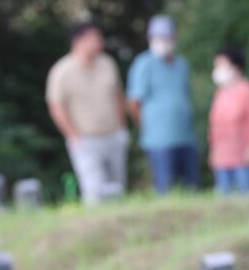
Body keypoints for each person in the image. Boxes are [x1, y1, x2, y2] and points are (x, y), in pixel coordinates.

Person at [46, 21, 128, 205]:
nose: (100, 42)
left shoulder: (107, 63)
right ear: (78, 41)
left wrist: (122, 127)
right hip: (85, 139)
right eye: (94, 38)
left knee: (117, 187)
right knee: (94, 189)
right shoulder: (62, 71)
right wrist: (73, 135)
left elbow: (117, 95)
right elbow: (56, 107)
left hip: (113, 134)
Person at [126, 15, 199, 194]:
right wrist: (147, 125)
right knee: (165, 186)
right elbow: (134, 102)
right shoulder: (144, 64)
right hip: (159, 139)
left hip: (186, 135)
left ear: (174, 38)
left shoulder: (181, 64)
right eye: (158, 38)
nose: (163, 42)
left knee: (192, 186)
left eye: (166, 37)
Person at [208, 48, 249, 195]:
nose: (218, 70)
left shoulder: (247, 91)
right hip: (222, 156)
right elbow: (215, 125)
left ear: (236, 68)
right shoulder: (220, 93)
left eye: (222, 65)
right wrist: (213, 150)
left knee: (247, 197)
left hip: (243, 156)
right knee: (224, 199)